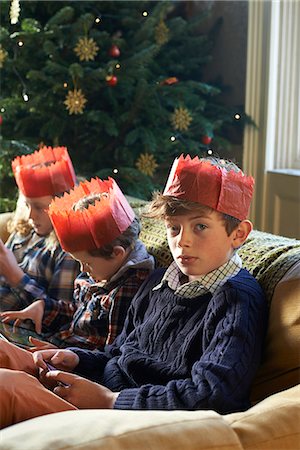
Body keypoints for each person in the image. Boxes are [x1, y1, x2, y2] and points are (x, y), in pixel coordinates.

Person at [0, 154, 268, 429]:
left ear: (238, 234)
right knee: (4, 351)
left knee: (8, 388)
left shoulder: (236, 299)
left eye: (200, 226)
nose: (182, 241)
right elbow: (117, 353)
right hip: (101, 392)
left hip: (131, 419)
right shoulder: (159, 282)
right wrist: (77, 360)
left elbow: (213, 394)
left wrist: (111, 400)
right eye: (174, 228)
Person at [0, 177, 154, 349]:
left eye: (87, 263)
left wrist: (63, 354)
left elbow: (110, 352)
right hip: (57, 343)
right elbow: (78, 312)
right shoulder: (102, 269)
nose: (81, 270)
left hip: (72, 359)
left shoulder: (127, 291)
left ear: (117, 253)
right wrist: (44, 307)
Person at [0, 146, 80, 313]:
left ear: (64, 205)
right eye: (27, 205)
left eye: (38, 207)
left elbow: (58, 315)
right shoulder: (24, 230)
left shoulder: (68, 251)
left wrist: (17, 278)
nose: (30, 215)